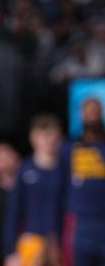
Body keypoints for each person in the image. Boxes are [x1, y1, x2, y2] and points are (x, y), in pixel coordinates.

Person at [3, 113, 64, 266]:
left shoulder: (64, 170)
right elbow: (13, 211)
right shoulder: (25, 170)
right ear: (33, 137)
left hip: (58, 243)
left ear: (58, 137)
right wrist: (10, 251)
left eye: (51, 135)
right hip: (31, 241)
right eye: (42, 135)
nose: (47, 140)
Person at [59, 97, 105, 266]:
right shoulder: (69, 147)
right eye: (88, 111)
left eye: (95, 111)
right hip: (80, 223)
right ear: (81, 115)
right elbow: (61, 183)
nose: (92, 116)